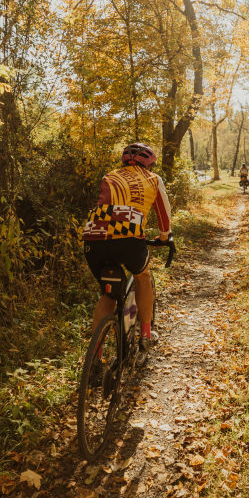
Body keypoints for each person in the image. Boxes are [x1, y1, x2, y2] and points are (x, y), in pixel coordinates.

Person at [82, 143, 172, 351]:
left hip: (94, 237)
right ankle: (147, 335)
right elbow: (163, 214)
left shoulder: (110, 176)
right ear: (150, 165)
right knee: (142, 277)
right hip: (129, 237)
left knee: (109, 293)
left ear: (123, 161)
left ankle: (95, 356)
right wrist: (164, 237)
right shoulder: (153, 179)